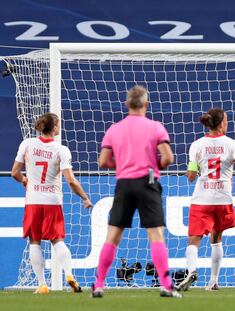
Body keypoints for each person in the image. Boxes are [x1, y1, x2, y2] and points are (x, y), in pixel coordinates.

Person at [92, 85, 181, 298]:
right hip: (148, 181)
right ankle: (166, 286)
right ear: (146, 104)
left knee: (113, 235)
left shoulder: (114, 129)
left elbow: (103, 161)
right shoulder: (156, 127)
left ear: (126, 104)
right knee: (156, 235)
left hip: (124, 182)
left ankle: (99, 284)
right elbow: (168, 157)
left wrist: (123, 164)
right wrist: (152, 166)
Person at [177, 108, 235, 291]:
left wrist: (197, 168)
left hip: (202, 200)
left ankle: (192, 271)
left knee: (194, 241)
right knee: (216, 239)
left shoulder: (197, 145)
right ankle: (213, 281)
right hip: (223, 200)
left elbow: (191, 176)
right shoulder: (233, 144)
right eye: (227, 120)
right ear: (221, 123)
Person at [11, 112, 92, 294]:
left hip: (33, 201)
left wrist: (25, 181)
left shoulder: (27, 144)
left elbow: (14, 172)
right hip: (53, 201)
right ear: (54, 128)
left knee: (35, 241)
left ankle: (41, 284)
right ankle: (69, 274)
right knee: (57, 240)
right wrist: (85, 198)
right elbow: (71, 180)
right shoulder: (61, 150)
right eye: (58, 124)